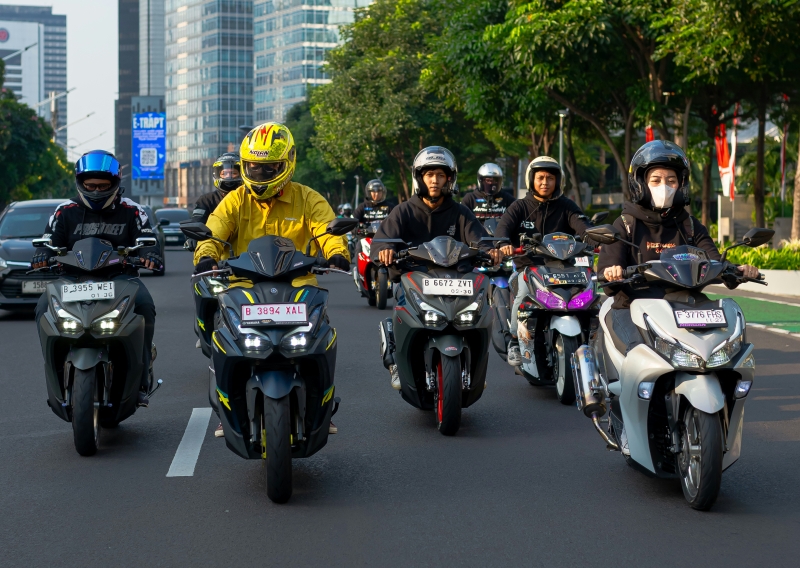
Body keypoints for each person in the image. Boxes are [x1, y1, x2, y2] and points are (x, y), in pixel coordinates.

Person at [192, 122, 350, 435]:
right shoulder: (235, 200)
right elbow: (213, 231)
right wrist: (206, 255)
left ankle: (322, 406)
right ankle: (228, 406)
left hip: (299, 287)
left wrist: (336, 252)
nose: (259, 174)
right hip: (244, 287)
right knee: (223, 339)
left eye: (269, 168)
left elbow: (327, 230)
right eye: (253, 167)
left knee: (322, 338)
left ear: (287, 163)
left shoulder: (308, 198)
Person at [597, 140, 759, 353]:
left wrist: (737, 270)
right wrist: (612, 271)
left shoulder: (689, 225)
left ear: (680, 185)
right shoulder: (626, 224)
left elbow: (713, 259)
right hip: (632, 305)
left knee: (723, 347)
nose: (664, 186)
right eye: (656, 180)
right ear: (641, 183)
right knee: (640, 353)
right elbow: (608, 275)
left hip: (684, 305)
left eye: (671, 180)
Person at [32, 150, 163, 407]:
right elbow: (48, 241)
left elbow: (148, 239)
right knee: (42, 307)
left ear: (115, 183)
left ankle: (142, 374)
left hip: (120, 278)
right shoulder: (64, 211)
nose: (96, 191)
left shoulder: (133, 211)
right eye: (90, 185)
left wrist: (150, 254)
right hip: (72, 280)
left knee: (145, 305)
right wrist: (41, 255)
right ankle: (54, 370)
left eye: (102, 186)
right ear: (80, 182)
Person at [371, 146, 503, 389]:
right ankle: (396, 362)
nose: (434, 180)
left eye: (440, 175)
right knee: (399, 309)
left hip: (457, 279)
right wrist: (385, 250)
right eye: (429, 175)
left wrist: (491, 250)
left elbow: (480, 239)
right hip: (414, 277)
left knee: (480, 312)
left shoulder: (461, 212)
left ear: (449, 179)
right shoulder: (403, 211)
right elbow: (382, 241)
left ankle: (475, 365)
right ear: (419, 178)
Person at [495, 156, 594, 367]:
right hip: (529, 268)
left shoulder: (567, 206)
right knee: (522, 293)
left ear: (558, 181)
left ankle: (589, 337)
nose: (545, 183)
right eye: (540, 178)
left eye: (550, 178)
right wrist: (503, 243)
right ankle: (514, 340)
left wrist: (596, 239)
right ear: (531, 179)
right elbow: (503, 229)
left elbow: (583, 227)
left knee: (589, 293)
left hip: (564, 268)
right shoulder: (519, 207)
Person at [185, 152, 241, 251]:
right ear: (217, 175)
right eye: (224, 173)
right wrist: (193, 237)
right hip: (214, 252)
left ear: (242, 174)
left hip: (248, 253)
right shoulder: (206, 200)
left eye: (233, 173)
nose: (229, 177)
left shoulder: (250, 198)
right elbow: (197, 221)